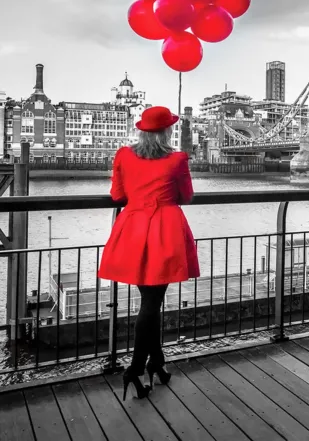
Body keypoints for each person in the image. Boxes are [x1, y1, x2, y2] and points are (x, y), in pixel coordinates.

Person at [98, 106, 199, 400]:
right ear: (167, 131)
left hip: (133, 229)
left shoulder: (124, 155)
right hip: (165, 231)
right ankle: (135, 368)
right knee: (152, 304)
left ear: (141, 130)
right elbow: (186, 197)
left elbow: (117, 195)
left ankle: (157, 362)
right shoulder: (177, 159)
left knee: (150, 302)